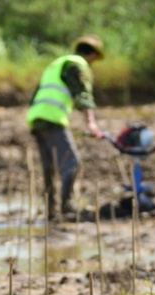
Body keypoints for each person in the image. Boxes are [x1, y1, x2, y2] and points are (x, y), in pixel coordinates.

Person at [27, 34, 105, 222]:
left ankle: (51, 211)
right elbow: (83, 95)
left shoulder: (55, 65)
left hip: (36, 118)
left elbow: (35, 96)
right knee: (72, 161)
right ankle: (67, 206)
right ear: (92, 55)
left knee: (49, 167)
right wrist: (91, 123)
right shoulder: (77, 65)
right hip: (53, 119)